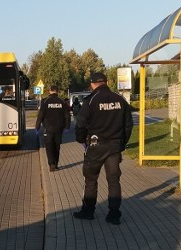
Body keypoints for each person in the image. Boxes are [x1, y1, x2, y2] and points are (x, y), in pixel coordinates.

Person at [73, 72, 133, 225]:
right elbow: (128, 125)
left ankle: (88, 212)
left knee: (91, 180)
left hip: (95, 147)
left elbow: (80, 124)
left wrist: (81, 140)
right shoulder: (120, 100)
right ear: (107, 82)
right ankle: (114, 215)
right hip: (114, 147)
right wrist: (122, 142)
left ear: (92, 84)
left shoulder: (91, 101)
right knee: (114, 181)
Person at [35, 85, 70, 172]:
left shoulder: (45, 101)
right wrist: (67, 127)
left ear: (50, 91)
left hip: (48, 128)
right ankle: (56, 163)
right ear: (57, 91)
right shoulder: (62, 102)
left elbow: (41, 115)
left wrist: (37, 127)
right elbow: (67, 116)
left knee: (49, 146)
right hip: (59, 128)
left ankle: (51, 164)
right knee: (57, 146)